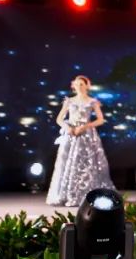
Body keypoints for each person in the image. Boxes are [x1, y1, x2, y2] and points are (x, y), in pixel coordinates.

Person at [46, 75, 115, 207]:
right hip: (71, 135)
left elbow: (100, 119)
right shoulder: (69, 101)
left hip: (86, 135)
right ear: (73, 86)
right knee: (67, 164)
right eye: (77, 84)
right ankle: (65, 195)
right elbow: (59, 119)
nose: (79, 86)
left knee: (86, 165)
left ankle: (86, 195)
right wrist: (68, 128)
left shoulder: (92, 101)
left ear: (87, 86)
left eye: (81, 84)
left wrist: (85, 126)